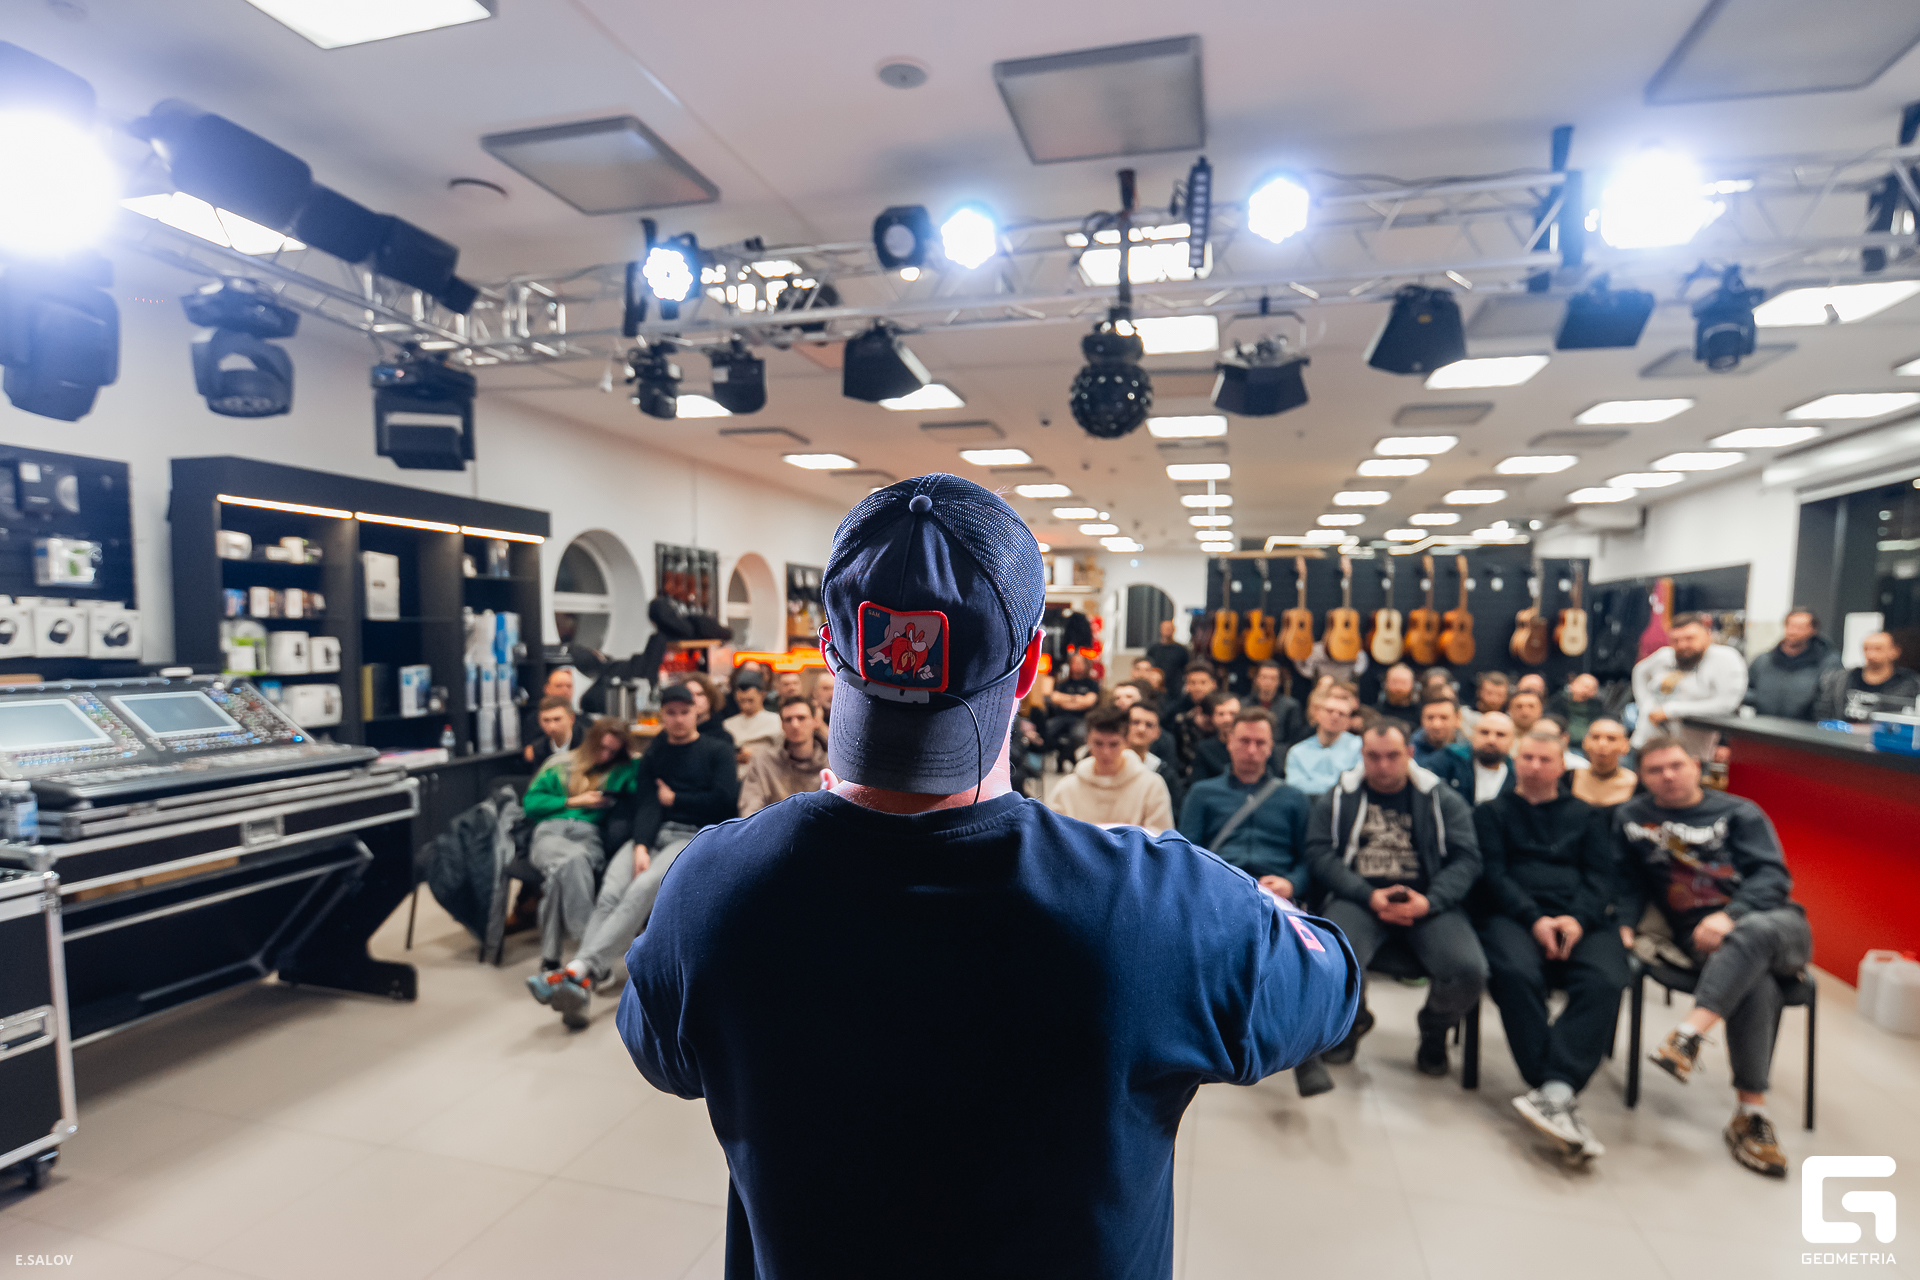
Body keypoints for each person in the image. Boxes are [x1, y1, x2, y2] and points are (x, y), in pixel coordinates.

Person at [617, 475, 1358, 1278]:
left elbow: (661, 1054)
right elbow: (1332, 986)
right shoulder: (1158, 904)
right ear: (1032, 661)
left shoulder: (715, 884)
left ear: (830, 650)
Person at [1615, 735, 1814, 1178]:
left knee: (1752, 934)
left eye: (1676, 766)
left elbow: (1772, 877)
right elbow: (1628, 879)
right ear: (1642, 777)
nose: (1668, 776)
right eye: (1655, 770)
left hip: (1775, 925)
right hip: (1702, 939)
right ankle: (1751, 1113)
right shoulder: (1632, 818)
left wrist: (1731, 916)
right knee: (1756, 982)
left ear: (1695, 766)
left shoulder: (1741, 812)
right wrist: (1625, 923)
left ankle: (1688, 1033)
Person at [531, 684, 738, 1026]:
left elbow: (724, 802)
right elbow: (647, 804)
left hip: (693, 835)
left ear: (696, 713)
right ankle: (584, 979)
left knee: (642, 890)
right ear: (663, 715)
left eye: (684, 712)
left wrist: (677, 799)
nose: (678, 719)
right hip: (651, 834)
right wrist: (641, 844)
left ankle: (579, 969)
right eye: (670, 713)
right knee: (610, 894)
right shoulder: (656, 754)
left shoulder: (717, 750)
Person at [1474, 726, 1627, 1159]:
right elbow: (1493, 875)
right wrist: (1534, 918)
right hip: (1514, 915)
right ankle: (1555, 1086)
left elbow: (1601, 878)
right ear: (1515, 761)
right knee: (1514, 973)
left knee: (1606, 977)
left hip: (1579, 917)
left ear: (1563, 766)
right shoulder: (1491, 813)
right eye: (1528, 758)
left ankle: (1553, 1091)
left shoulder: (1588, 816)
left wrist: (1576, 919)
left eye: (1546, 760)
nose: (1536, 767)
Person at [1305, 721, 1487, 1078]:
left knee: (1469, 971)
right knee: (1330, 958)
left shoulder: (1440, 798)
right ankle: (1351, 1021)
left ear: (1410, 753)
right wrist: (1367, 894)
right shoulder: (1341, 796)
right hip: (1360, 897)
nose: (1383, 765)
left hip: (1426, 900)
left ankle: (1434, 1029)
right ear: (1362, 756)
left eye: (1392, 756)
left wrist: (1430, 901)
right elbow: (1318, 852)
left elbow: (1467, 858)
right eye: (1373, 757)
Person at [1177, 707, 1329, 1096]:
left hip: (1276, 893)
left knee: (1291, 952)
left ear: (1271, 747)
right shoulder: (1203, 793)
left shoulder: (1293, 798)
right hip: (1221, 889)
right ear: (1228, 742)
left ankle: (1301, 1050)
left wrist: (1291, 883)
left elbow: (1309, 859)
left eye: (1260, 742)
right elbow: (1187, 852)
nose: (1251, 749)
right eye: (1243, 741)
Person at [522, 717, 641, 979]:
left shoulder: (622, 769)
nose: (606, 755)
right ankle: (590, 952)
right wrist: (574, 801)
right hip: (550, 832)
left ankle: (551, 959)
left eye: (613, 751)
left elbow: (642, 782)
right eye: (602, 748)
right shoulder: (559, 764)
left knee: (559, 874)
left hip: (589, 835)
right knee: (571, 861)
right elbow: (531, 804)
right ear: (591, 742)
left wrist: (632, 757)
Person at [1631, 612, 1749, 759]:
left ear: (1708, 635)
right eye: (1675, 640)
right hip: (1644, 743)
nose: (1682, 645)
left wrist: (1671, 710)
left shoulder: (1725, 659)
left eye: (1690, 638)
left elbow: (1726, 704)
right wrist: (1644, 704)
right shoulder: (1665, 655)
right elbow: (1639, 672)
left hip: (1689, 754)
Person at [1048, 704, 1175, 832]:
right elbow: (1051, 835)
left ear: (1126, 742)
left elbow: (1161, 836)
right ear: (1088, 741)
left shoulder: (1151, 786)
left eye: (1114, 744)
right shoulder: (1066, 788)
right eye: (1098, 743)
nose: (1106, 752)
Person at [738, 695, 829, 816]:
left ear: (815, 721)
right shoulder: (764, 763)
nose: (795, 724)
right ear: (782, 725)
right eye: (788, 719)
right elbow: (749, 811)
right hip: (774, 826)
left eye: (801, 718)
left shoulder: (832, 764)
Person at [1743, 609, 1839, 722]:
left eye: (1800, 627)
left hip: (1806, 729)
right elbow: (1746, 690)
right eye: (1790, 626)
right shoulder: (1763, 661)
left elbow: (1830, 702)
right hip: (1763, 726)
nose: (1793, 632)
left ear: (1813, 630)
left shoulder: (1827, 663)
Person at [1813, 630, 1920, 722]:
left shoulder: (1910, 685)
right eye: (1866, 649)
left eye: (1878, 649)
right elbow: (1823, 711)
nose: (1871, 654)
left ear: (1894, 651)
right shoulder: (1841, 679)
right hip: (1843, 736)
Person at [1284, 685, 1362, 796]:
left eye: (1341, 714)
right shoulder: (1297, 752)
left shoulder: (1359, 747)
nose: (1335, 717)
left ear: (1348, 721)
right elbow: (1294, 787)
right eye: (1329, 711)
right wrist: (1336, 785)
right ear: (1317, 713)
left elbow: (1355, 784)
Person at [1043, 649, 1102, 764]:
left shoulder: (1092, 684)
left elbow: (1089, 702)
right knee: (1047, 730)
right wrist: (1078, 699)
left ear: (1086, 665)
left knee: (1078, 735)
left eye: (1080, 663)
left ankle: (1069, 757)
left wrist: (1066, 700)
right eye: (1075, 662)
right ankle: (1061, 753)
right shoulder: (1063, 683)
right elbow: (1055, 698)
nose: (1077, 665)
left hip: (1082, 718)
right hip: (1061, 717)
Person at [1126, 701, 1183, 811]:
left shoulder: (1165, 774)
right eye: (1135, 722)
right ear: (1122, 726)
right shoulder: (1105, 765)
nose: (1141, 729)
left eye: (1149, 725)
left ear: (1157, 733)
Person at [1414, 695, 1473, 799]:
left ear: (1457, 719)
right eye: (1430, 717)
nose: (1436, 725)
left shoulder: (1472, 754)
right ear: (1421, 720)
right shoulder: (1410, 754)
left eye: (1444, 717)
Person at [1570, 718, 1637, 809]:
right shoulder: (1568, 778)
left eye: (1611, 739)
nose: (1602, 744)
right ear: (1585, 742)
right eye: (1595, 737)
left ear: (1625, 745)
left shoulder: (1636, 784)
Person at [723, 669, 782, 764]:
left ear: (762, 695)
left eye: (750, 700)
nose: (746, 706)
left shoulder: (776, 721)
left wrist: (755, 755)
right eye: (742, 701)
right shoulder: (727, 724)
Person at [1186, 691, 1243, 784]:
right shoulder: (1204, 748)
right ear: (1213, 718)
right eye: (1221, 714)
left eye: (1233, 714)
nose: (1227, 719)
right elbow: (1198, 784)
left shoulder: (1254, 747)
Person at [1247, 660, 1307, 744]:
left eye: (1273, 678)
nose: (1268, 682)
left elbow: (1295, 739)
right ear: (1257, 679)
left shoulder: (1291, 706)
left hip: (1279, 749)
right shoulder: (1245, 705)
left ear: (1279, 681)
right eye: (1264, 677)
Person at [519, 666, 577, 747]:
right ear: (547, 688)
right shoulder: (532, 721)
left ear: (571, 718)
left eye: (569, 686)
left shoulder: (584, 722)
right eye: (559, 686)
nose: (565, 690)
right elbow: (529, 750)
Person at [1468, 712, 1518, 804]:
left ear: (1512, 741)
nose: (1491, 740)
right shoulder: (1451, 765)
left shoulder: (1518, 779)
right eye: (1484, 732)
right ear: (1473, 736)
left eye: (1500, 734)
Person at [523, 694, 581, 770]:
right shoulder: (539, 748)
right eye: (546, 720)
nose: (551, 726)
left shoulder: (587, 742)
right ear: (539, 721)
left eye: (557, 719)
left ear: (571, 718)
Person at [1548, 672, 1605, 744]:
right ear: (1573, 684)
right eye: (1584, 686)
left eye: (1592, 689)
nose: (1586, 691)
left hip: (1589, 744)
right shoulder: (1558, 701)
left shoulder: (1597, 706)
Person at [1145, 616, 1190, 689]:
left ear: (1174, 630)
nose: (1167, 630)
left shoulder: (1181, 649)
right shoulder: (1153, 649)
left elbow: (1187, 667)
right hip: (1156, 686)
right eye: (1165, 628)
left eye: (1169, 628)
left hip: (1175, 686)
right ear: (1160, 630)